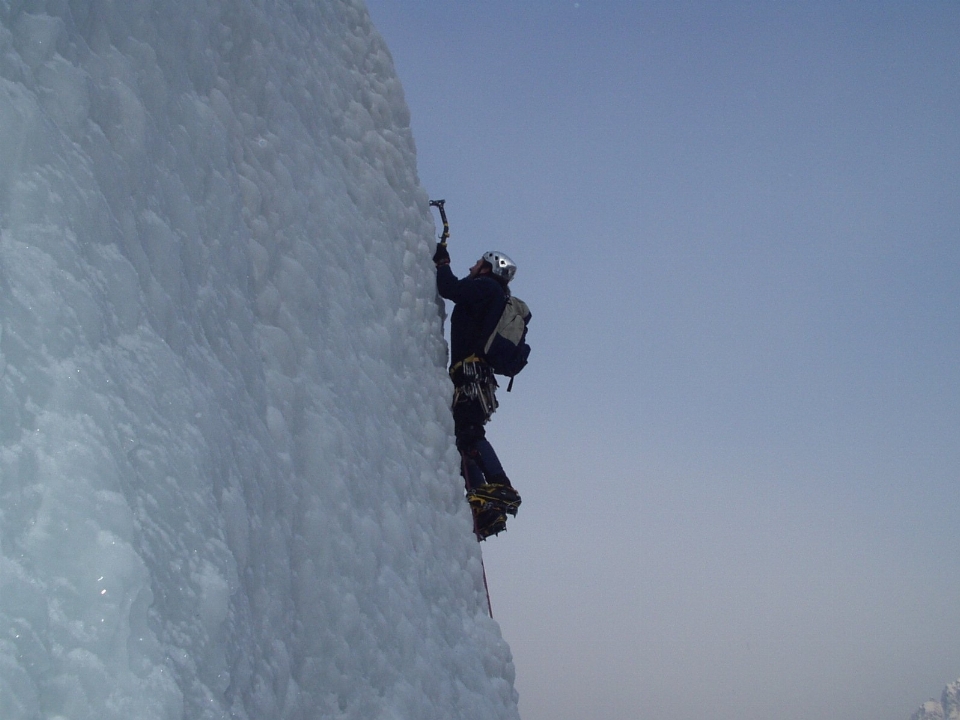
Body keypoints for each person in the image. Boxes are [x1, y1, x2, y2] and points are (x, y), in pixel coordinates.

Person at [434, 243, 522, 539]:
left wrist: (442, 262)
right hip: (474, 376)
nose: (472, 267)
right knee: (464, 437)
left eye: (476, 263)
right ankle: (486, 503)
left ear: (488, 268)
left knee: (469, 433)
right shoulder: (494, 295)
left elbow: (450, 289)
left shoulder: (486, 287)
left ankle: (500, 486)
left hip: (471, 375)